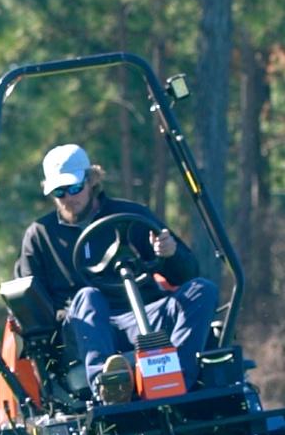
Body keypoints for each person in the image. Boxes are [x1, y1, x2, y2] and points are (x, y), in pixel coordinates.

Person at [15, 143, 218, 405]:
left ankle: (177, 377)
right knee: (88, 296)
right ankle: (109, 385)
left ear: (91, 181)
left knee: (203, 289)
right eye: (59, 191)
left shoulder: (132, 215)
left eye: (74, 188)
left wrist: (170, 253)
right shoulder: (40, 235)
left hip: (144, 315)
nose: (68, 197)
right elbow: (30, 302)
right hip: (87, 326)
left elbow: (186, 273)